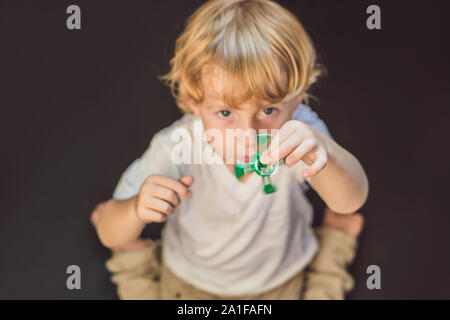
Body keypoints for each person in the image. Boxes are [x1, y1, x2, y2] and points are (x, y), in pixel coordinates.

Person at [92, 0, 368, 300]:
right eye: (226, 114)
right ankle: (133, 257)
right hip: (191, 282)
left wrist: (324, 151)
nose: (248, 134)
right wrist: (134, 211)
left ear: (298, 97)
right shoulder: (177, 146)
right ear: (195, 103)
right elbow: (108, 231)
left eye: (268, 110)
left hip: (279, 279)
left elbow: (350, 201)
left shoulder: (299, 133)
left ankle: (334, 244)